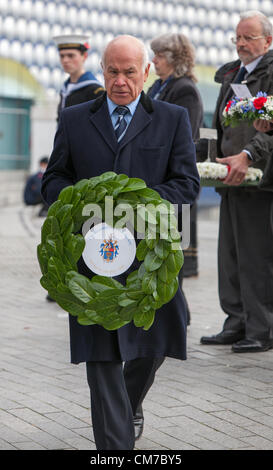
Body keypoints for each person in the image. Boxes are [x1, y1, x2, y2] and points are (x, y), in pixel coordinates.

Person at [42, 35, 199, 450]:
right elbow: (54, 178)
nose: (121, 81)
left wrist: (137, 206)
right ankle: (115, 448)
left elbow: (186, 184)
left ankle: (127, 403)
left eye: (130, 72)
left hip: (151, 258)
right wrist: (79, 205)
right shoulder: (76, 119)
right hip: (92, 260)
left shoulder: (172, 118)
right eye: (113, 71)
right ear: (103, 70)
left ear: (146, 72)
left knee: (163, 334)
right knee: (102, 353)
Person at [200, 11, 273, 353]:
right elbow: (223, 125)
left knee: (256, 257)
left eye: (249, 37)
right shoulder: (233, 74)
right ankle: (237, 321)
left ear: (268, 41)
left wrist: (248, 156)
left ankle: (262, 328)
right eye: (237, 38)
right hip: (231, 178)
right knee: (230, 255)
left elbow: (269, 126)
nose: (241, 43)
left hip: (260, 179)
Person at [148, 33, 204, 325]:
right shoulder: (158, 86)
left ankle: (177, 318)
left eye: (158, 55)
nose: (153, 60)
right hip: (154, 179)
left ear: (174, 58)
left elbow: (187, 137)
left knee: (173, 257)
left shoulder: (185, 90)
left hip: (173, 181)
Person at [53, 34, 104, 121]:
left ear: (84, 56)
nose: (65, 60)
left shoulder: (95, 90)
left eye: (71, 56)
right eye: (62, 56)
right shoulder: (65, 89)